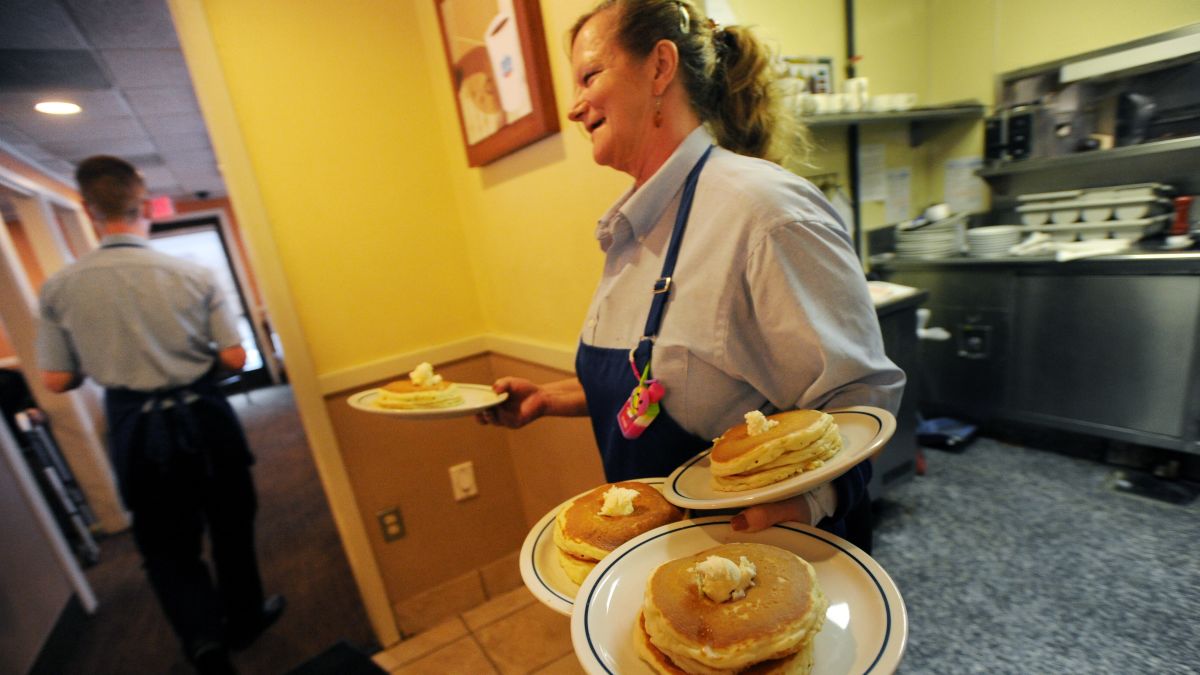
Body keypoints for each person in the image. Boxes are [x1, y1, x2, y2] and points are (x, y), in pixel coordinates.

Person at [478, 0, 904, 548]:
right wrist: (550, 398)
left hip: (768, 556)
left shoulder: (764, 212)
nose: (574, 108)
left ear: (659, 67)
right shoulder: (633, 231)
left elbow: (860, 398)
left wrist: (814, 500)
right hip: (670, 555)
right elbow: (676, 380)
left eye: (589, 76)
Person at [36, 156, 283, 675]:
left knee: (168, 548)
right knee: (231, 526)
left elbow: (55, 379)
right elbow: (236, 357)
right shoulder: (193, 273)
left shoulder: (59, 287)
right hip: (206, 416)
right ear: (143, 204)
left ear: (88, 208)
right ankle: (243, 619)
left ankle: (204, 644)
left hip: (135, 428)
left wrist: (101, 361)